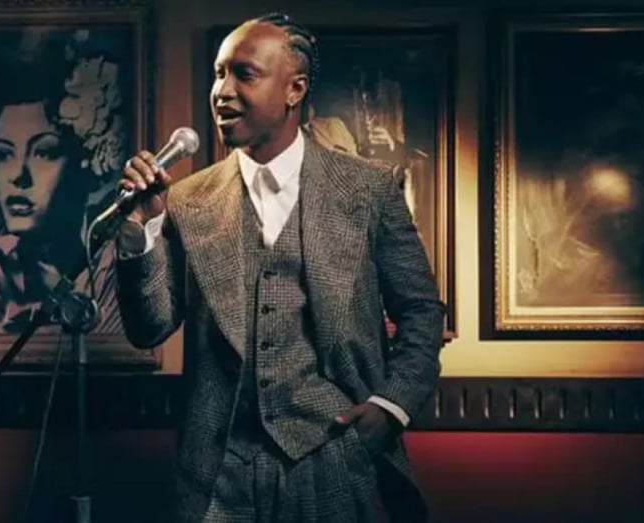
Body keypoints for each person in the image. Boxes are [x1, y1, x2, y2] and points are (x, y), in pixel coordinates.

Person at [115, 13, 445, 522]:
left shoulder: (368, 189)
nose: (222, 91)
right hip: (217, 475)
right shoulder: (186, 199)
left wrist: (391, 406)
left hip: (336, 460)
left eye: (243, 74)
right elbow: (149, 328)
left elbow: (422, 311)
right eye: (218, 74)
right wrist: (144, 229)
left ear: (295, 89)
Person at [0, 69, 123, 336]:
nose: (18, 175)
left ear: (86, 164)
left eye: (44, 152)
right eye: (4, 154)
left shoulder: (118, 277)